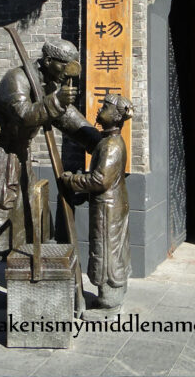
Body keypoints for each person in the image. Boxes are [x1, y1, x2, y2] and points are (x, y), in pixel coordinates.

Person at [0, 38, 100, 306]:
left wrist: (95, 140)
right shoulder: (17, 79)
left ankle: (20, 269)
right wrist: (55, 101)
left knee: (25, 219)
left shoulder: (49, 84)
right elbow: (24, 114)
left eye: (73, 64)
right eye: (64, 65)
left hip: (20, 157)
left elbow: (65, 116)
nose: (70, 70)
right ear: (48, 62)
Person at [60, 93, 133, 317]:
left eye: (105, 107)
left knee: (107, 251)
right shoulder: (106, 140)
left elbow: (100, 180)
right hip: (109, 207)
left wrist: (72, 180)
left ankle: (109, 303)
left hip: (107, 210)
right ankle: (111, 298)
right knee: (110, 249)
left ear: (117, 116)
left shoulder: (112, 145)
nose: (100, 110)